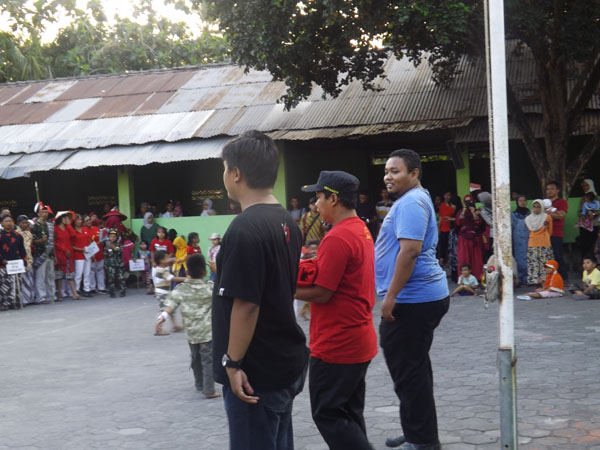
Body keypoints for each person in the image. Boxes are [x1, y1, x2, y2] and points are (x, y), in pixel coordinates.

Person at [212, 130, 309, 450]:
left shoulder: (245, 228)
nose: (224, 175)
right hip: (281, 360)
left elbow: (247, 304)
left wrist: (233, 362)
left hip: (255, 372)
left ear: (236, 174)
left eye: (224, 168)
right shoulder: (286, 221)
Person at [295, 171, 378, 450]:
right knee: (349, 414)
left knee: (328, 414)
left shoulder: (337, 237)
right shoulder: (360, 228)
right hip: (358, 338)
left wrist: (281, 289)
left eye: (318, 197)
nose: (315, 205)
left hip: (337, 344)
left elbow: (322, 292)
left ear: (333, 198)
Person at [375, 149, 449, 450]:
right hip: (415, 297)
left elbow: (410, 252)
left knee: (408, 372)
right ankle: (417, 432)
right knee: (414, 369)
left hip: (413, 299)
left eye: (395, 171)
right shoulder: (412, 199)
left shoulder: (412, 202)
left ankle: (422, 441)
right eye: (386, 171)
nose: (388, 176)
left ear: (414, 173)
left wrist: (391, 296)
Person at [156, 253, 221, 398]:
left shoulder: (181, 289)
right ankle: (209, 390)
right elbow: (225, 286)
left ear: (186, 272)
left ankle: (199, 384)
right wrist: (217, 271)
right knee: (207, 359)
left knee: (195, 358)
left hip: (191, 332)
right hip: (207, 331)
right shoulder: (210, 287)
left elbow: (171, 305)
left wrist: (162, 317)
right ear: (204, 272)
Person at [152, 250, 185, 335]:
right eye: (167, 258)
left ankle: (175, 326)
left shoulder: (162, 268)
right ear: (161, 261)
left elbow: (169, 264)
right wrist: (186, 279)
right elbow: (173, 278)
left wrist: (172, 262)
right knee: (164, 311)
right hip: (162, 294)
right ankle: (158, 328)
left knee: (171, 309)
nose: (169, 259)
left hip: (164, 292)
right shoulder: (161, 271)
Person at [455, 194, 485, 281]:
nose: (468, 203)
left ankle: (478, 279)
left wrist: (474, 213)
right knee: (464, 258)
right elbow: (458, 223)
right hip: (464, 239)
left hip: (475, 238)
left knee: (477, 259)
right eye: (466, 201)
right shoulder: (460, 211)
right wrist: (463, 212)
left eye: (470, 201)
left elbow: (480, 223)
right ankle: (464, 280)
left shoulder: (477, 211)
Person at [0, 215, 27, 310]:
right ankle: (4, 303)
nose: (8, 223)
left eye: (10, 221)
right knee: (5, 285)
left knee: (17, 283)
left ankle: (16, 302)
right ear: (1, 223)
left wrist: (24, 261)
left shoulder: (18, 236)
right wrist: (2, 260)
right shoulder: (0, 236)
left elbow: (22, 249)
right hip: (3, 265)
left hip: (16, 264)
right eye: (6, 221)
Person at [525, 200, 554, 286]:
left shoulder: (547, 217)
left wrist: (544, 237)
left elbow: (550, 231)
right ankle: (536, 286)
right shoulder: (528, 219)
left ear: (542, 208)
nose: (536, 209)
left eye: (538, 207)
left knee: (545, 265)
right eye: (534, 207)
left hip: (545, 244)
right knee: (534, 265)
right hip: (533, 244)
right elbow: (530, 230)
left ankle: (545, 285)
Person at [31, 202, 56, 304]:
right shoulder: (35, 227)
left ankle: (51, 295)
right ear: (38, 214)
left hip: (49, 254)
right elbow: (33, 241)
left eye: (46, 212)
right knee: (41, 277)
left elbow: (52, 242)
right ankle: (41, 297)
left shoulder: (50, 225)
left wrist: (54, 255)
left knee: (50, 276)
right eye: (42, 212)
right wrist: (41, 240)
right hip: (40, 254)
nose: (45, 214)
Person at [54, 211, 81, 300]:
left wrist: (69, 225)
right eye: (65, 218)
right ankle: (60, 294)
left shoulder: (67, 228)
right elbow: (55, 242)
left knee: (70, 274)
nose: (67, 219)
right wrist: (64, 249)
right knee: (59, 275)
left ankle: (74, 293)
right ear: (60, 219)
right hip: (60, 253)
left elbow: (74, 235)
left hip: (69, 254)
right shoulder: (55, 228)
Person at [545, 181, 569, 280]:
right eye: (548, 189)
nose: (549, 191)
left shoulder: (562, 202)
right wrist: (553, 213)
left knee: (558, 256)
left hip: (556, 234)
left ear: (557, 190)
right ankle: (550, 278)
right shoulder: (544, 203)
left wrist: (547, 213)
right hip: (544, 234)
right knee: (547, 258)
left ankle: (563, 278)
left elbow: (561, 216)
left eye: (552, 189)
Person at [71, 214, 93, 298]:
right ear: (74, 221)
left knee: (87, 273)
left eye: (80, 220)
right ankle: (77, 289)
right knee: (79, 274)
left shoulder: (85, 229)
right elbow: (72, 246)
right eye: (78, 220)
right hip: (79, 255)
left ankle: (87, 289)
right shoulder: (73, 231)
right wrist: (81, 249)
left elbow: (89, 240)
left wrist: (91, 249)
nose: (80, 221)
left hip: (87, 254)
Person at [511, 195, 530, 286]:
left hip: (529, 239)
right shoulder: (513, 215)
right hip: (517, 240)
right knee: (519, 259)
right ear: (517, 202)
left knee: (529, 258)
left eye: (524, 200)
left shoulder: (530, 214)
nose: (523, 202)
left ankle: (529, 279)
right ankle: (520, 279)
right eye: (520, 200)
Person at [16, 215, 35, 305]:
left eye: (26, 223)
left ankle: (31, 298)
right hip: (20, 259)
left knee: (30, 279)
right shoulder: (16, 233)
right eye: (23, 223)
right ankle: (24, 300)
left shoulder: (29, 234)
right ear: (18, 223)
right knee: (23, 281)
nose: (25, 224)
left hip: (29, 258)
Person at [85, 215, 106, 295]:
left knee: (100, 270)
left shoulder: (96, 228)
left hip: (99, 252)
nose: (88, 222)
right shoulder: (84, 230)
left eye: (89, 220)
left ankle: (101, 288)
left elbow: (101, 240)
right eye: (86, 221)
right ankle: (92, 288)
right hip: (91, 254)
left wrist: (103, 239)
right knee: (91, 271)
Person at [104, 229, 127, 298]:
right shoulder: (107, 246)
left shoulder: (118, 245)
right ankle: (112, 292)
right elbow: (105, 256)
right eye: (111, 236)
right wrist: (105, 265)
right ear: (108, 237)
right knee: (111, 279)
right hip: (110, 265)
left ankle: (122, 291)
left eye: (114, 236)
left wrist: (114, 248)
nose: (112, 238)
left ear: (117, 237)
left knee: (121, 278)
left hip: (119, 264)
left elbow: (120, 251)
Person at [437, 191, 456, 266]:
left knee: (450, 245)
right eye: (446, 195)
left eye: (449, 195)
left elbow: (456, 218)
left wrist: (451, 219)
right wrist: (438, 229)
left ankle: (449, 260)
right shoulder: (442, 205)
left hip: (450, 228)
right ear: (444, 196)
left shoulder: (453, 207)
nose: (447, 197)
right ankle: (441, 260)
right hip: (443, 228)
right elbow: (440, 218)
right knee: (442, 245)